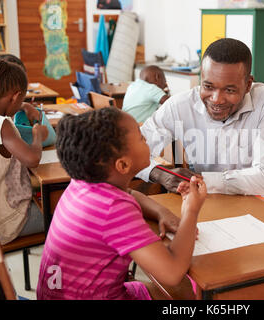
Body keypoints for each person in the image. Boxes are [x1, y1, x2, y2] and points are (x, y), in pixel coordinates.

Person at [36, 107, 207, 300]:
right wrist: (191, 211)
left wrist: (161, 212)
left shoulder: (84, 182)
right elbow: (173, 273)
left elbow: (131, 193)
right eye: (141, 137)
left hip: (61, 294)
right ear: (123, 165)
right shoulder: (113, 209)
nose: (146, 139)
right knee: (189, 295)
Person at [136, 38, 264, 196]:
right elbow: (128, 152)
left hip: (257, 206)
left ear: (248, 84)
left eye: (229, 90)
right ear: (201, 78)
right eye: (208, 86)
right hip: (205, 204)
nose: (216, 99)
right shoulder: (180, 106)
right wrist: (158, 173)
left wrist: (203, 181)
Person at [0, 56, 48, 245]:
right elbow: (33, 159)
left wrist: (25, 105)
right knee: (61, 212)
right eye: (22, 100)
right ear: (16, 95)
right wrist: (37, 135)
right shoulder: (2, 125)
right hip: (8, 221)